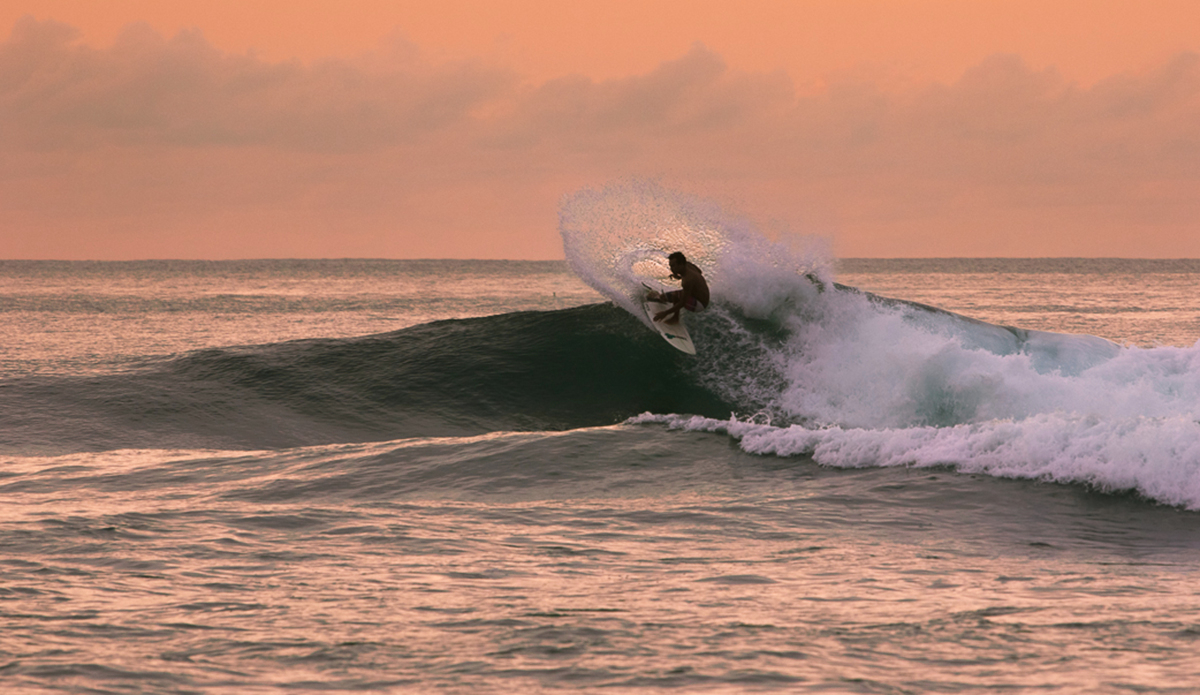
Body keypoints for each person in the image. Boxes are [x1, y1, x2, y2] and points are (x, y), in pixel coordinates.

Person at [647, 251, 710, 324]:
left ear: (681, 264)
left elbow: (682, 302)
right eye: (671, 266)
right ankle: (663, 298)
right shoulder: (688, 265)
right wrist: (679, 275)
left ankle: (675, 318)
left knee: (675, 295)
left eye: (673, 266)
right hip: (697, 296)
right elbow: (699, 271)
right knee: (664, 297)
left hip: (699, 304)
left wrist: (665, 313)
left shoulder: (688, 280)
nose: (671, 269)